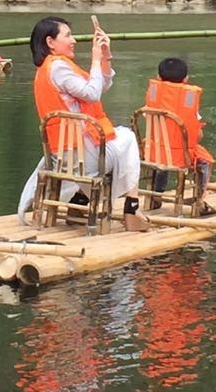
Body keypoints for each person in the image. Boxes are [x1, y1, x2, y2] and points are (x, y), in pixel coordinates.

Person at [17, 16, 149, 232]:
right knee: (128, 137)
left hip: (66, 152)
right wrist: (96, 59)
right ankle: (131, 207)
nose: (74, 40)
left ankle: (80, 202)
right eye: (68, 35)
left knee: (122, 138)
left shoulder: (55, 66)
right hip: (79, 154)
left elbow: (101, 84)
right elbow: (92, 92)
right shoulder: (58, 67)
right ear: (50, 42)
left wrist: (105, 56)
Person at [144, 57, 216, 216]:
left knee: (163, 156)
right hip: (179, 156)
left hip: (153, 152)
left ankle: (156, 195)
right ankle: (199, 201)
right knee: (205, 162)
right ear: (186, 79)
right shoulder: (188, 100)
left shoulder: (153, 98)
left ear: (158, 77)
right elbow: (198, 135)